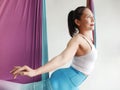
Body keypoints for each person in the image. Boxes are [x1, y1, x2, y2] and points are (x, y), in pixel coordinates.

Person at [10, 3, 97, 90]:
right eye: (88, 17)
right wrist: (34, 72)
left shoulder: (89, 36)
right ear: (77, 22)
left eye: (92, 16)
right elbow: (62, 58)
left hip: (70, 83)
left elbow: (89, 9)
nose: (93, 19)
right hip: (63, 82)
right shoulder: (78, 39)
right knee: (20, 88)